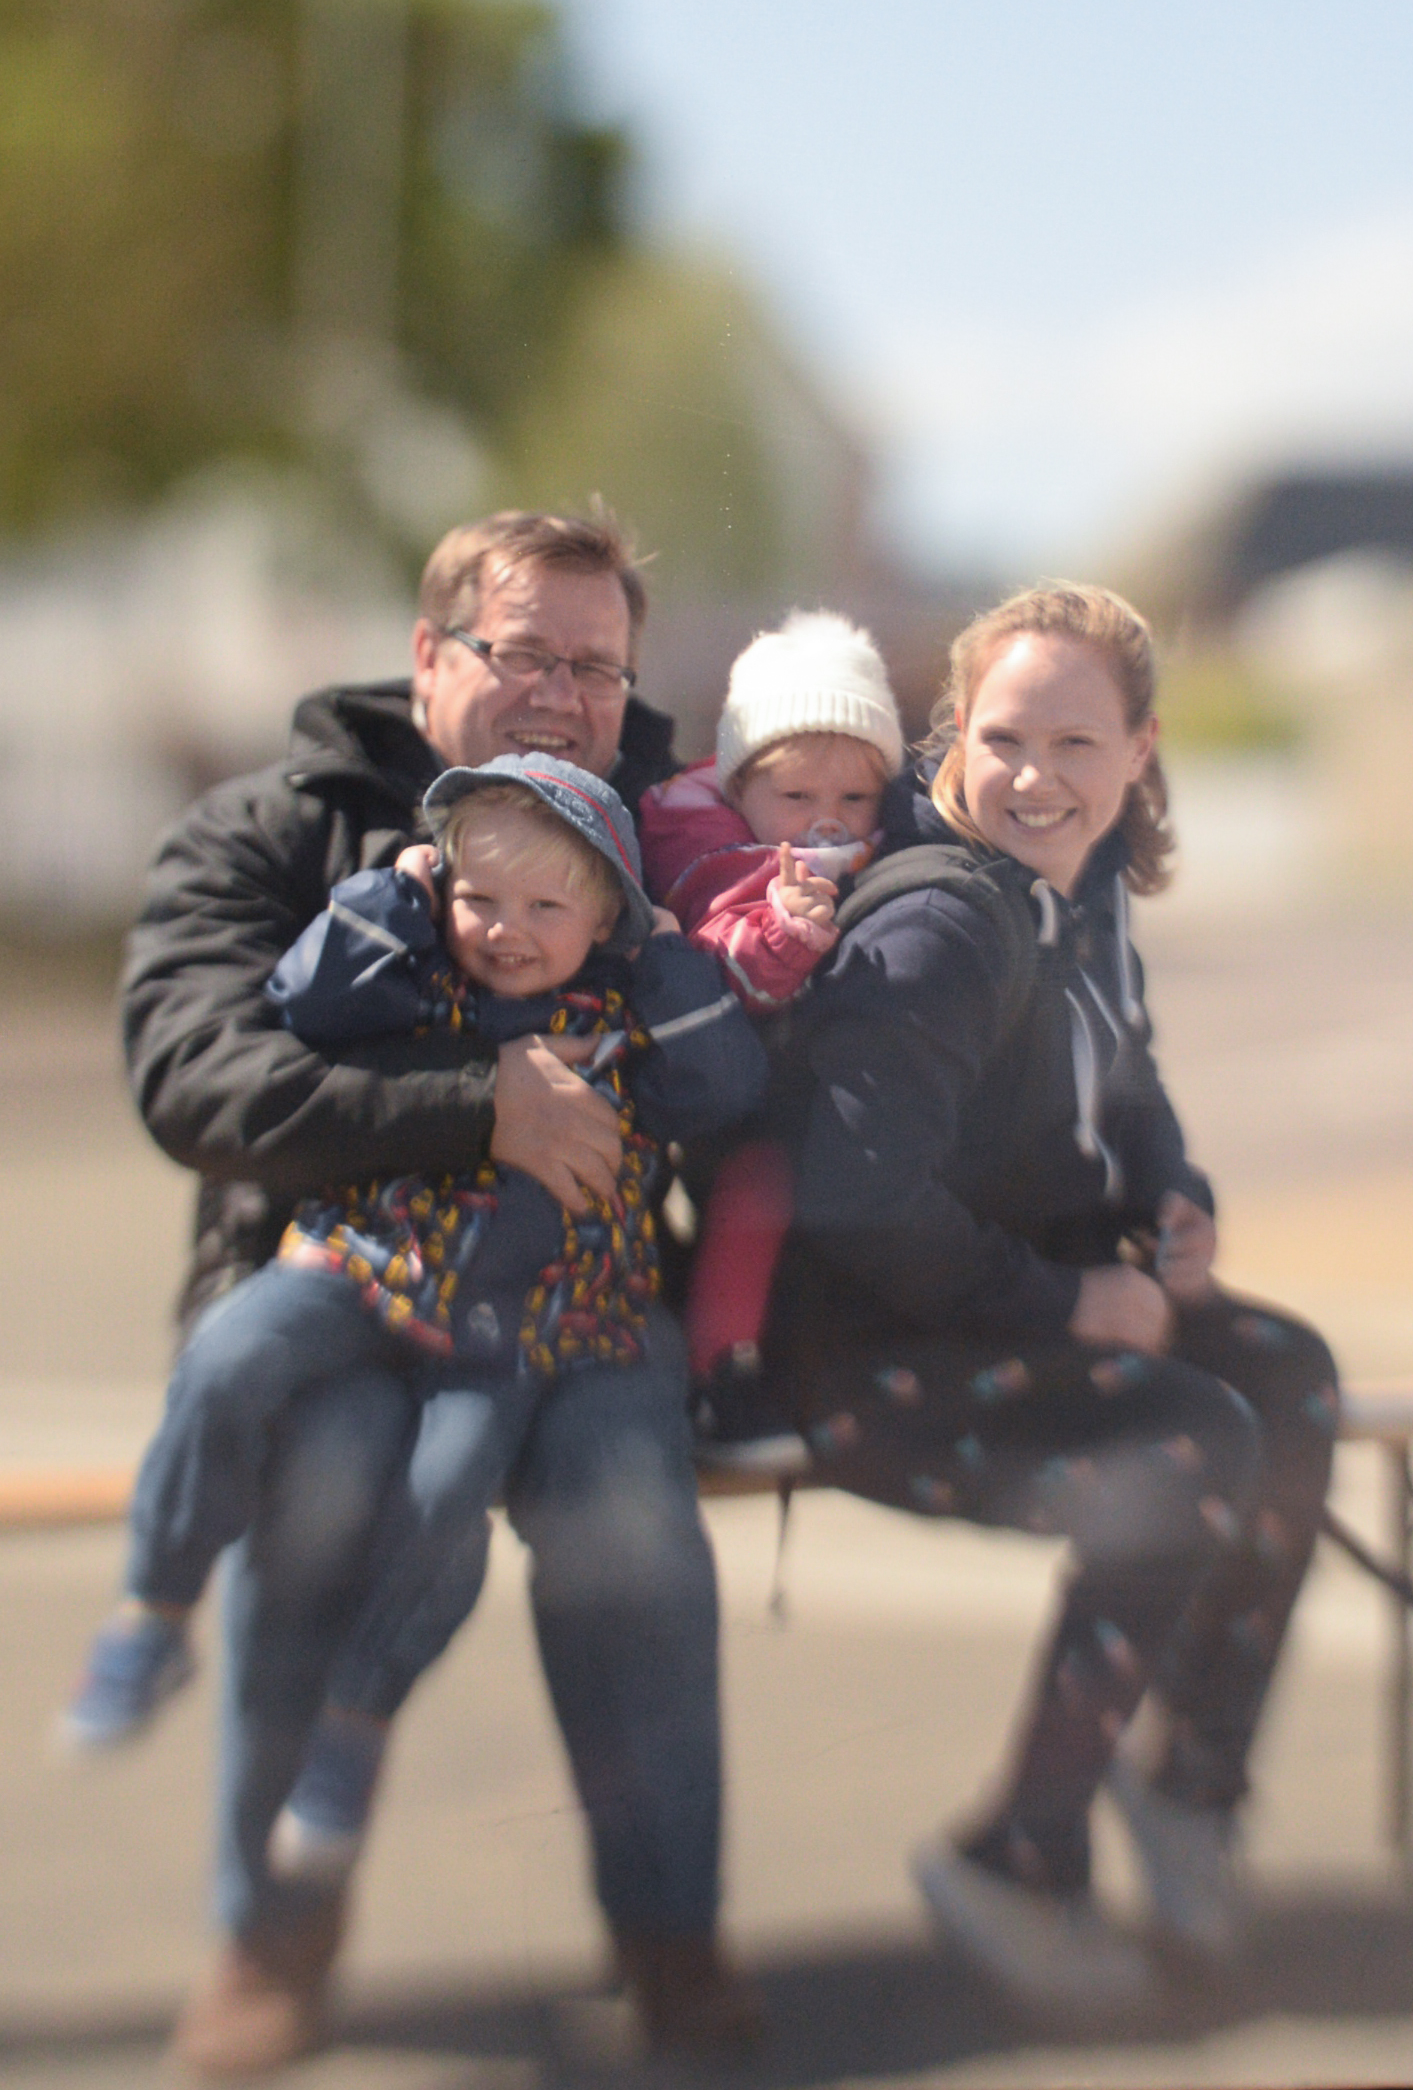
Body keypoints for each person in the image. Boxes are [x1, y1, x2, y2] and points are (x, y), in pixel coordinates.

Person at [117, 512, 760, 2071]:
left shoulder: (667, 841)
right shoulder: (273, 829)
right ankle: (271, 1930)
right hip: (333, 1293)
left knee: (624, 1505)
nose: (560, 691)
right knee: (327, 1477)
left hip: (579, 1302)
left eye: (594, 665)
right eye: (521, 650)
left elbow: (771, 1060)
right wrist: (480, 1105)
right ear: (426, 656)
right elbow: (196, 1073)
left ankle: (668, 1934)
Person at [761, 583, 1339, 2010]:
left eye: (1074, 742)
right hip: (871, 1357)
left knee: (1287, 1373)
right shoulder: (936, 926)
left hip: (1006, 1310)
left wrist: (1169, 1196)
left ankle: (1189, 1783)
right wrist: (1069, 1300)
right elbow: (852, 1197)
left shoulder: (1080, 883)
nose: (1033, 774)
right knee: (1187, 1439)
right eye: (1003, 736)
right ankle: (1016, 1854)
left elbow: (1123, 1080)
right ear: (953, 733)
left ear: (1137, 750)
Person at [65, 755, 767, 1886]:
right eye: (479, 897)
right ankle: (152, 1605)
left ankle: (355, 1717)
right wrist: (389, 899)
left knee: (442, 1501)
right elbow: (302, 1004)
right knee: (230, 1353)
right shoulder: (418, 965)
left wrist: (668, 957)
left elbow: (723, 1086)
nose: (506, 931)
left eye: (545, 908)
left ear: (605, 918)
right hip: (368, 1261)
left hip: (519, 1321)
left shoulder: (626, 1011)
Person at [638, 612, 903, 1467]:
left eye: (852, 799)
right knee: (754, 1199)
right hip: (730, 1087)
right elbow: (722, 939)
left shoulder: (883, 841)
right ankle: (719, 1374)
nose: (826, 822)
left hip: (816, 1083)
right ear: (738, 788)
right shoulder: (705, 843)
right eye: (796, 799)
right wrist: (782, 931)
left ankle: (803, 1361)